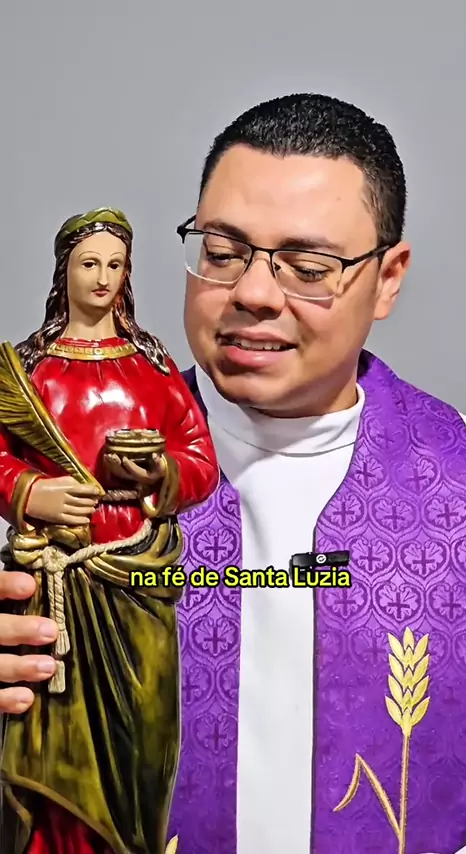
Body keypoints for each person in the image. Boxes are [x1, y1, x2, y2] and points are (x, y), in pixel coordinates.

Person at [1, 94, 466, 854]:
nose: (253, 294)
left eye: (308, 267)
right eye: (222, 253)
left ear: (389, 278)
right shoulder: (50, 468)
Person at [0, 207, 218, 854]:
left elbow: (200, 461)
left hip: (137, 576)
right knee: (51, 743)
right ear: (63, 271)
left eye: (115, 264)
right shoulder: (30, 369)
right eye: (88, 263)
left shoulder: (151, 366)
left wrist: (159, 472)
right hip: (55, 580)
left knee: (143, 741)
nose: (102, 277)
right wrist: (31, 491)